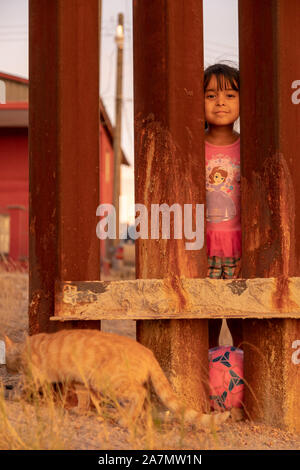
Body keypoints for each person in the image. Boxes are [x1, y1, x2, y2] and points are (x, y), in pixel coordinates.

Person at [204, 63, 243, 348]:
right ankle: (205, 387)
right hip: (202, 249)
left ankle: (244, 385)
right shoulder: (192, 145)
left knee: (244, 321)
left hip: (240, 248)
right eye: (210, 95)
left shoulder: (250, 146)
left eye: (230, 95)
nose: (220, 102)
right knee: (205, 323)